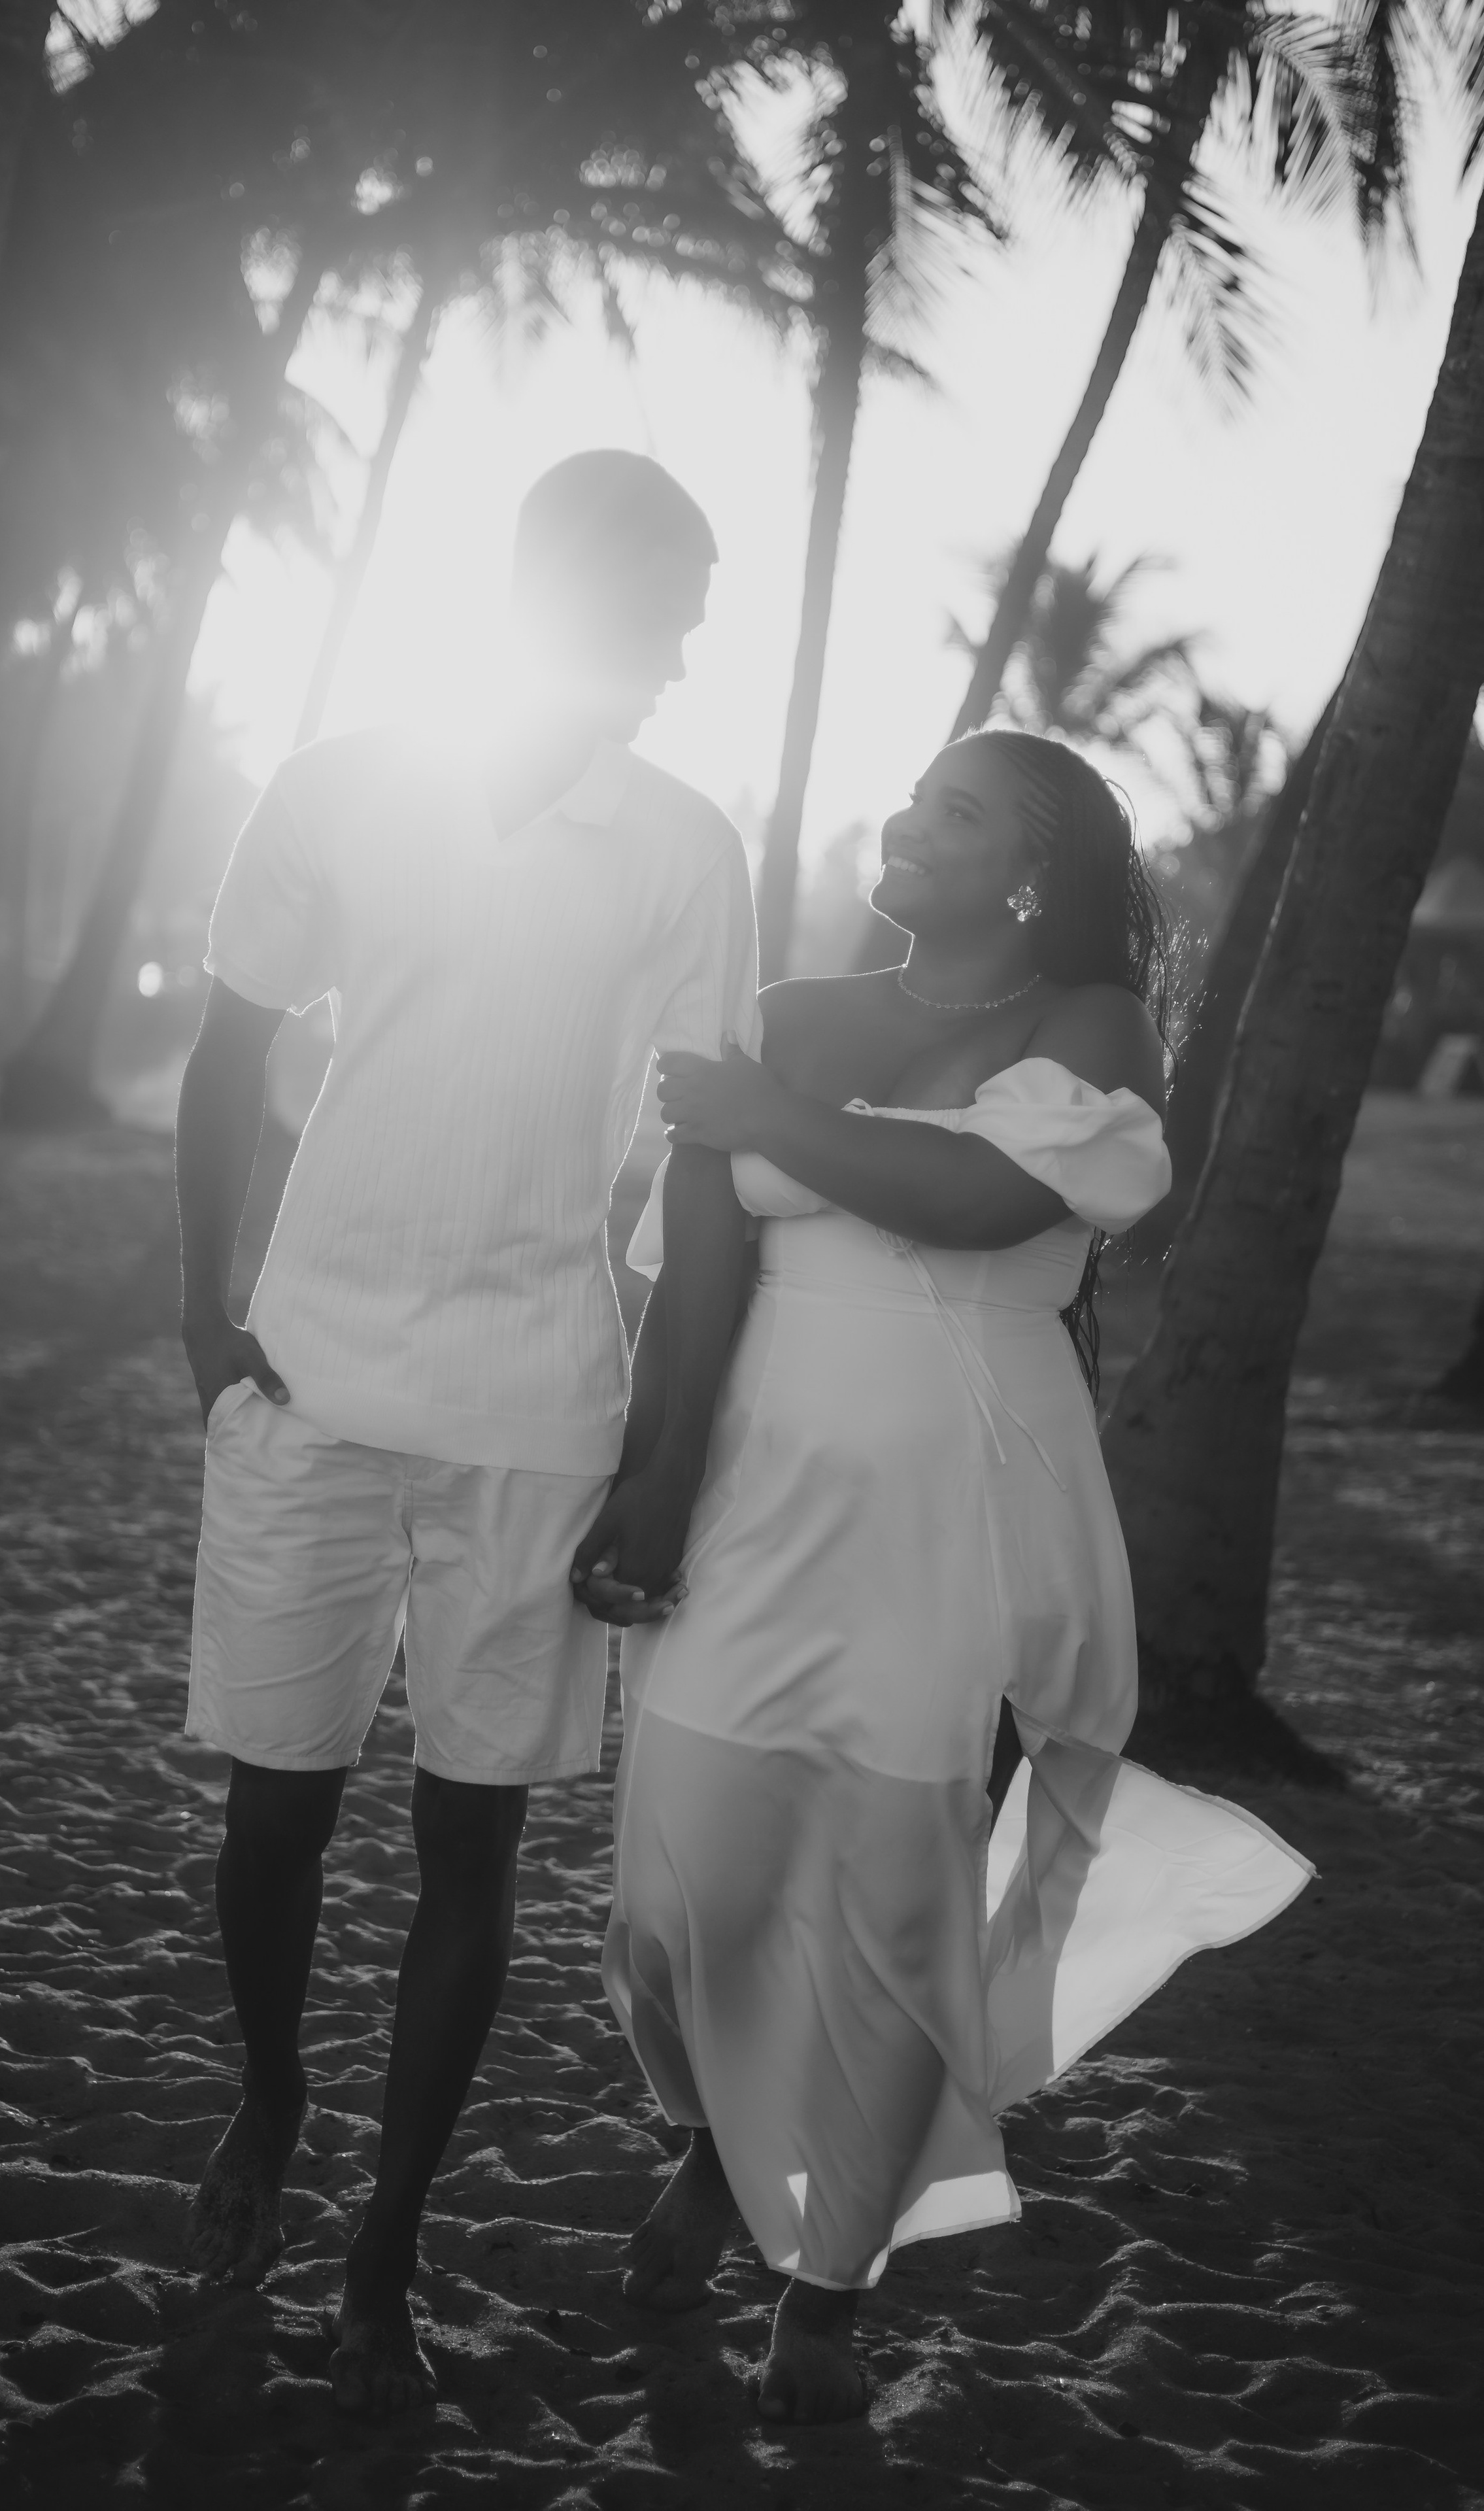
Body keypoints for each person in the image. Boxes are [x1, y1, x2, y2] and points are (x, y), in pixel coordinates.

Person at [601, 728, 1314, 2423]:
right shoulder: (785, 1007)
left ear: (1033, 873)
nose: (912, 824)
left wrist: (768, 1118)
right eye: (914, 796)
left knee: (889, 1890)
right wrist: (648, 1491)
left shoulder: (1087, 1024)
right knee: (667, 1898)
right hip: (757, 1498)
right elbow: (695, 1276)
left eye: (961, 812)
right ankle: (713, 2145)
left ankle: (828, 2285)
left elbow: (989, 1202)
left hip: (962, 1502)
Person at [175, 451, 757, 2417]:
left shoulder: (685, 845)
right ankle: (275, 2088)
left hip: (536, 1401)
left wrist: (662, 1436)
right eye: (659, 605)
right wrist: (204, 1302)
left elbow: (704, 1159)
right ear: (546, 588)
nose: (683, 649)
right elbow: (231, 1042)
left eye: (694, 615)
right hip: (312, 1377)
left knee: (470, 1847)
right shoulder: (349, 776)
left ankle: (385, 2250)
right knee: (273, 1816)